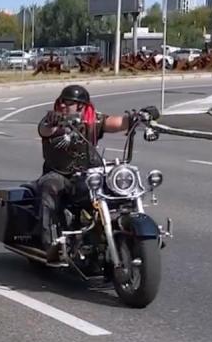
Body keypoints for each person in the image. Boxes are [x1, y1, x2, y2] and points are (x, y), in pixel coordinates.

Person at [36, 85, 159, 261]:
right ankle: (51, 243)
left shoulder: (93, 120)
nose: (63, 105)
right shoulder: (53, 120)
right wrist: (52, 121)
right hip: (59, 174)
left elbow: (118, 123)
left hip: (89, 174)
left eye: (68, 102)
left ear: (82, 106)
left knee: (115, 192)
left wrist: (138, 117)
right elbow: (44, 129)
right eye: (61, 101)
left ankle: (113, 234)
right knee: (49, 188)